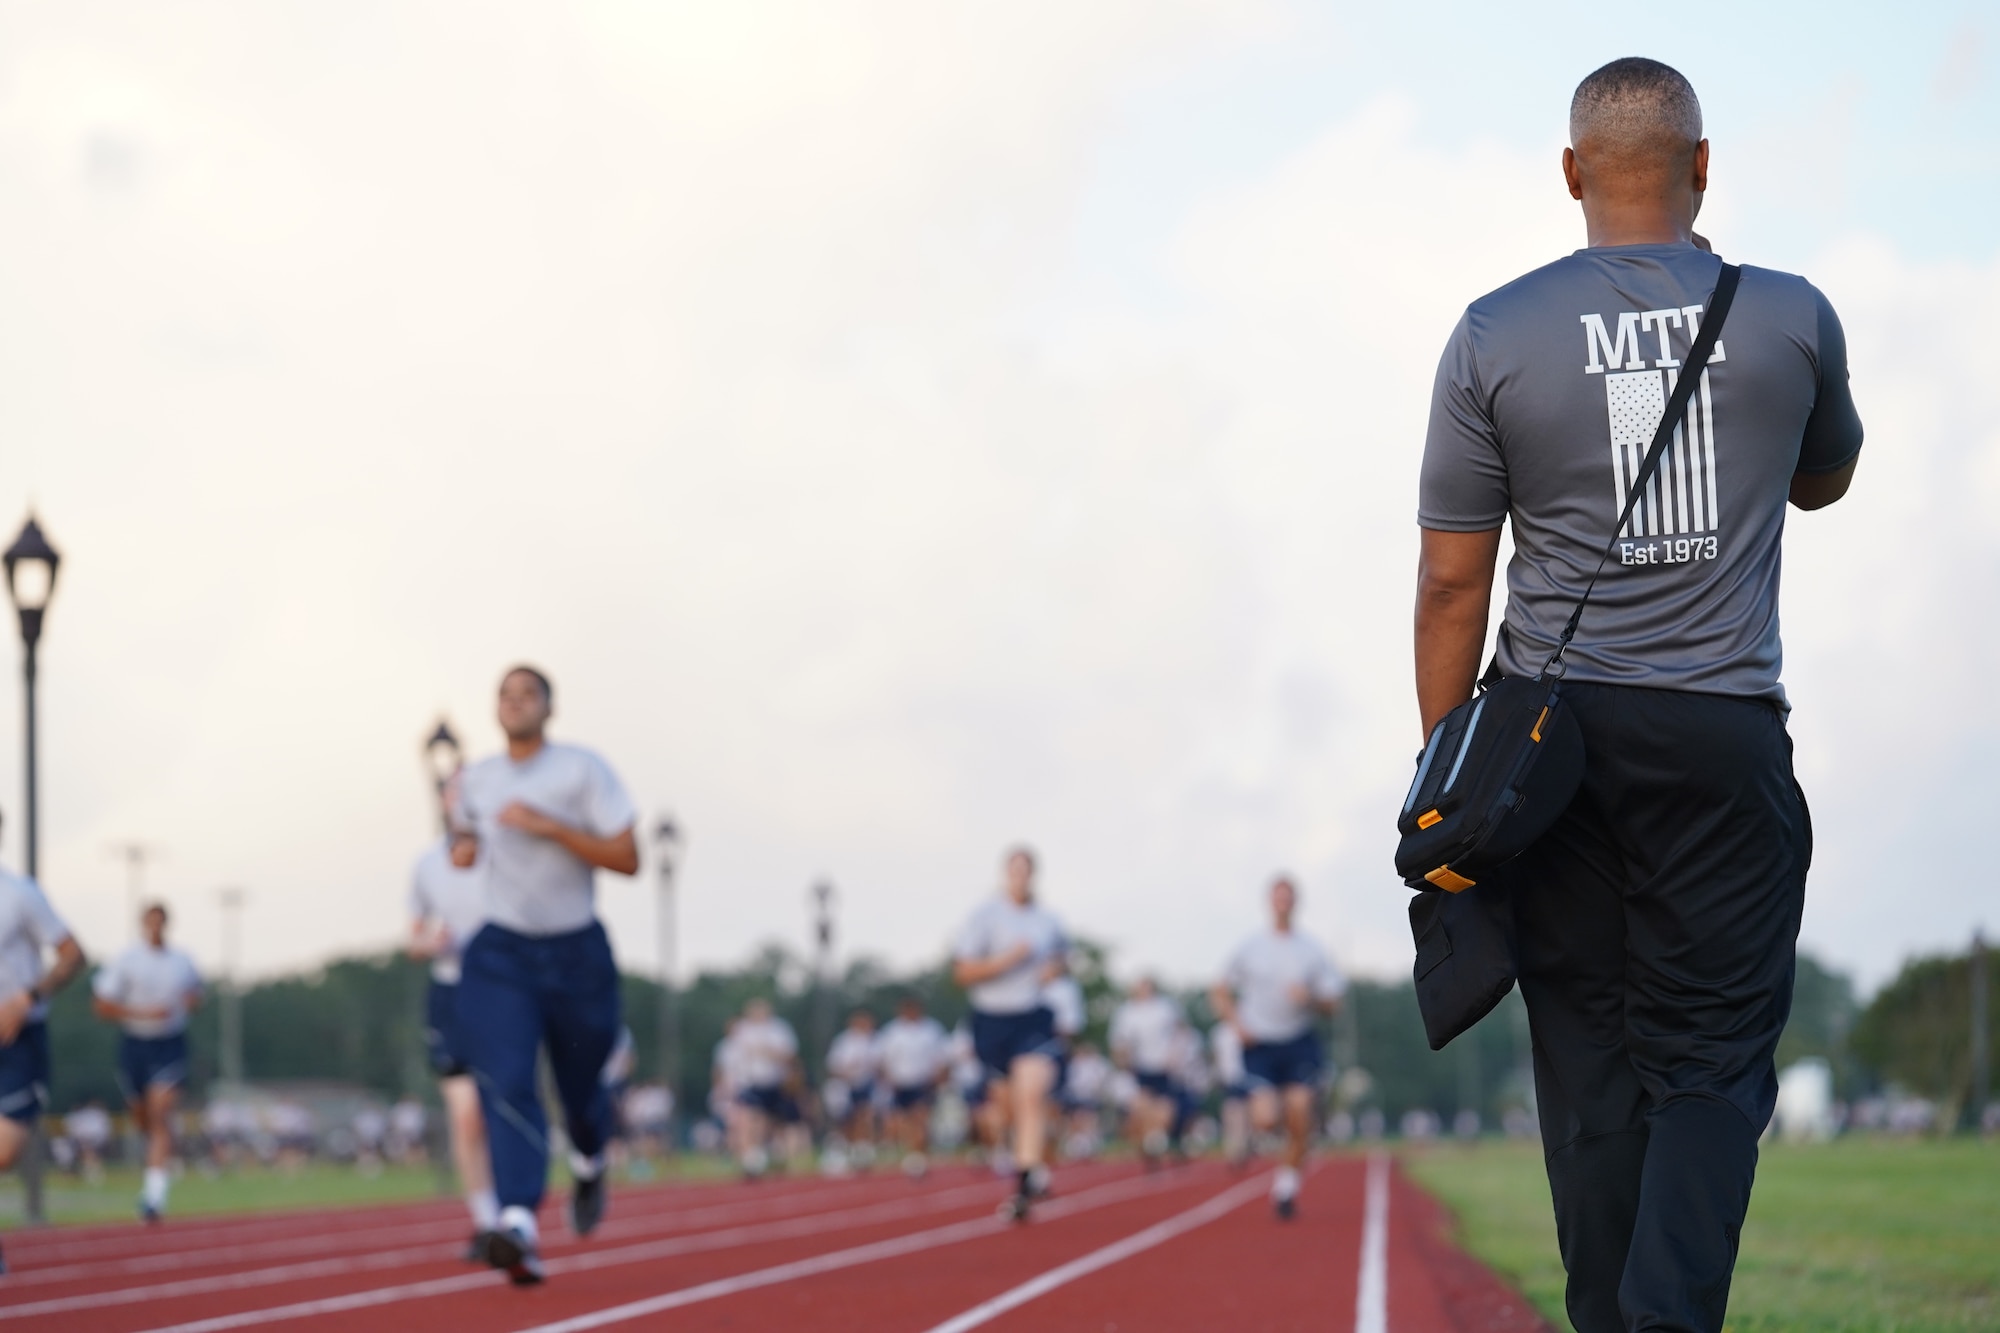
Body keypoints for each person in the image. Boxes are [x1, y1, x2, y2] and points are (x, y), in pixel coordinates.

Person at [1413, 58, 1860, 1333]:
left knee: (1590, 1067)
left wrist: (1452, 782)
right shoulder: (1787, 315)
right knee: (1709, 1070)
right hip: (1719, 733)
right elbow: (1821, 478)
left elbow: (1453, 587)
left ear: (1569, 175)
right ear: (1702, 166)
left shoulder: (1490, 331)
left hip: (1550, 748)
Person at [452, 665, 640, 1285]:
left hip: (576, 953)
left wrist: (551, 827)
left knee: (582, 1091)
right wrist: (460, 836)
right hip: (503, 952)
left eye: (526, 694)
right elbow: (466, 849)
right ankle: (518, 1222)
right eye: (505, 695)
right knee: (506, 1081)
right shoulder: (477, 778)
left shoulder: (582, 769)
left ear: (548, 708)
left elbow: (629, 858)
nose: (515, 703)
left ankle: (589, 1160)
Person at [1211, 876, 1344, 1219]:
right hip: (1260, 1044)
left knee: (1299, 1112)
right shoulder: (1251, 946)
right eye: (1277, 898)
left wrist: (1311, 998)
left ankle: (1286, 1187)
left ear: (1295, 903)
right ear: (1270, 902)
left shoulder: (1311, 949)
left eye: (1288, 898)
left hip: (1298, 1041)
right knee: (1267, 1119)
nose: (1283, 904)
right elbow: (1220, 989)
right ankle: (1287, 1129)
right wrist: (1236, 1026)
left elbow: (1333, 1003)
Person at [952, 845, 1068, 1221]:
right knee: (1005, 1111)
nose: (1021, 877)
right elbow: (964, 973)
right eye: (1014, 870)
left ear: (1034, 875)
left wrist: (1054, 970)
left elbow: (1061, 958)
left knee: (1031, 1095)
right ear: (1006, 874)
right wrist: (1009, 960)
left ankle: (1022, 1186)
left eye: (1027, 870)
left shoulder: (1048, 920)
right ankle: (1029, 1165)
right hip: (991, 1020)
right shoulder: (984, 917)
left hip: (1032, 1017)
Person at [407, 800, 498, 1258]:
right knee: (467, 1117)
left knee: (502, 1107)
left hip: (501, 994)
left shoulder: (504, 858)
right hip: (449, 997)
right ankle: (487, 1223)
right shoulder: (425, 866)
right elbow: (413, 939)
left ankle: (514, 1210)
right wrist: (432, 942)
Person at [0, 838, 85, 1273]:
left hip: (18, 1040)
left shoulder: (19, 895)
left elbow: (73, 955)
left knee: (4, 1152)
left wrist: (26, 998)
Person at [90, 901, 201, 1222]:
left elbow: (196, 995)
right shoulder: (127, 960)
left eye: (160, 922)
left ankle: (153, 1197)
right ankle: (156, 1155)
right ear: (143, 924)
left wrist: (191, 1002)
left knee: (160, 1112)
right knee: (144, 1119)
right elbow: (101, 1006)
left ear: (167, 924)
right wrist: (141, 1013)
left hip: (170, 1044)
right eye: (150, 922)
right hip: (135, 1043)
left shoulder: (182, 961)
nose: (155, 928)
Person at [1108, 977, 1185, 1166]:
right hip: (1139, 1067)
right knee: (1142, 1108)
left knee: (1165, 1111)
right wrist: (1123, 1061)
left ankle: (1156, 1141)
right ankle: (1151, 1144)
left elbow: (1180, 1031)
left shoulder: (1166, 1007)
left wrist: (1175, 1055)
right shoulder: (1126, 1012)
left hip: (1163, 1066)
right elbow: (1120, 1041)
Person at [875, 994, 950, 1178]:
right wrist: (887, 1079)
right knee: (903, 1122)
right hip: (900, 1084)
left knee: (921, 1119)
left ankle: (918, 1157)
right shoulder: (891, 1032)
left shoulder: (931, 1030)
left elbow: (943, 1057)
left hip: (924, 1082)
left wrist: (938, 1078)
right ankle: (913, 1153)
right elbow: (881, 1060)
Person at [729, 998, 801, 1178]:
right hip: (751, 1083)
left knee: (777, 1126)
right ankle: (750, 1162)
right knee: (749, 1122)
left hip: (776, 1084)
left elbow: (790, 1056)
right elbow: (734, 1059)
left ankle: (779, 1159)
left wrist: (770, 1052)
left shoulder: (780, 1030)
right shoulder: (743, 1031)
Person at [824, 1010, 881, 1163]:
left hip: (867, 1084)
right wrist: (847, 1072)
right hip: (846, 1086)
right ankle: (843, 1148)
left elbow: (880, 1064)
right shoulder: (843, 1041)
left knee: (865, 1116)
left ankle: (862, 1148)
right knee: (845, 1120)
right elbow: (833, 1066)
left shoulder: (874, 1041)